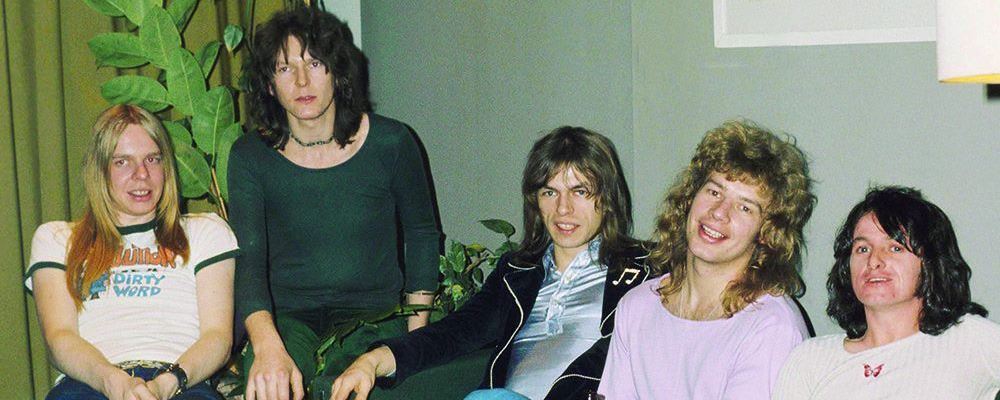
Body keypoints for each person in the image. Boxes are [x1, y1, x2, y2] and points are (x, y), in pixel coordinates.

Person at [330, 126, 651, 400]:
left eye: (580, 191)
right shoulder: (517, 274)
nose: (563, 209)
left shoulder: (644, 273)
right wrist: (374, 360)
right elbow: (455, 332)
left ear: (607, 199)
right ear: (535, 201)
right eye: (549, 192)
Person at [229, 6, 441, 400]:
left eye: (315, 63)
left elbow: (422, 234)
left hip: (374, 316)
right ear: (269, 85)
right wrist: (267, 347)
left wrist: (416, 338)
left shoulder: (392, 143)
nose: (302, 81)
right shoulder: (250, 157)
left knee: (341, 389)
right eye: (285, 68)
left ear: (338, 73)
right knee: (272, 388)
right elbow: (249, 261)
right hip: (287, 319)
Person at [26, 104, 238, 400]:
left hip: (182, 383)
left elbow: (217, 338)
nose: (142, 175)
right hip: (89, 384)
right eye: (122, 162)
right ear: (100, 170)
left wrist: (165, 385)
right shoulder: (58, 239)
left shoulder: (206, 232)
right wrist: (114, 382)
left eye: (152, 159)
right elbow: (59, 337)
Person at [598, 120, 816, 399]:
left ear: (766, 232)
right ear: (690, 197)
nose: (719, 212)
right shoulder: (637, 307)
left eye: (744, 207)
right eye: (714, 192)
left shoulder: (772, 328)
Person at [773, 186, 1000, 399]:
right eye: (862, 248)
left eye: (895, 248)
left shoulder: (969, 340)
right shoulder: (810, 360)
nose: (874, 260)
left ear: (930, 263)